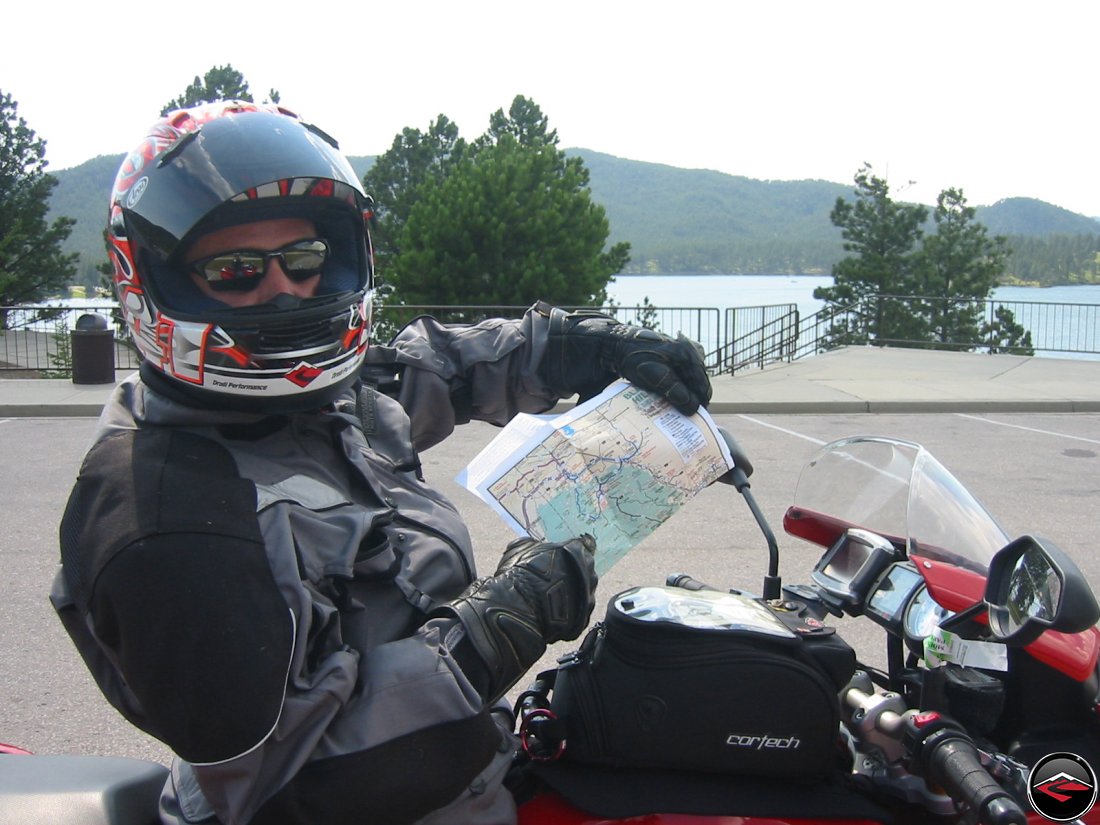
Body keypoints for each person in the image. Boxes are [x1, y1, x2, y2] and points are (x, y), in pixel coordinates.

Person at [51, 101, 712, 825]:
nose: (284, 291)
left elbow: (436, 369)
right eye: (235, 269)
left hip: (465, 779)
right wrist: (495, 627)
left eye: (303, 260)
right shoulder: (164, 518)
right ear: (155, 277)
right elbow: (294, 778)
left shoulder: (317, 405)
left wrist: (583, 343)